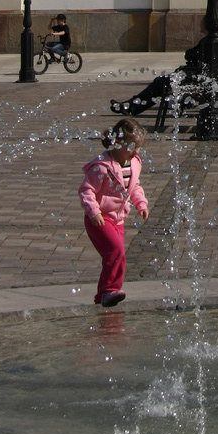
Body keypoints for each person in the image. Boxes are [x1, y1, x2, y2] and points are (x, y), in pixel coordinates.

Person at [78, 117, 149, 307]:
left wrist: (141, 204)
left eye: (139, 148)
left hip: (119, 219)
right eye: (132, 146)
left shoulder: (133, 163)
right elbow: (87, 190)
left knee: (113, 256)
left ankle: (102, 294)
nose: (136, 152)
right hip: (100, 218)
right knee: (116, 251)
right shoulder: (102, 167)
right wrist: (94, 212)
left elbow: (134, 187)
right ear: (117, 142)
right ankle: (110, 290)